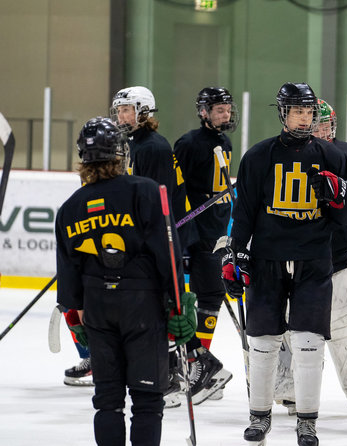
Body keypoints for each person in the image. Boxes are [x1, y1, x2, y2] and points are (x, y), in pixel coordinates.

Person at [222, 82, 347, 446]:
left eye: (310, 112)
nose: (305, 118)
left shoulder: (333, 157)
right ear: (283, 113)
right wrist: (237, 254)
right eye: (298, 111)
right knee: (263, 342)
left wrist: (338, 199)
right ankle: (258, 415)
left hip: (314, 259)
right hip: (268, 258)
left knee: (309, 342)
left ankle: (307, 420)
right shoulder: (258, 156)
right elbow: (245, 210)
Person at [55, 117, 197, 446]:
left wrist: (77, 320)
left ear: (83, 158)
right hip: (143, 308)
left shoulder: (70, 208)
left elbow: (69, 276)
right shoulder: (146, 191)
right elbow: (168, 254)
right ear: (121, 154)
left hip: (98, 308)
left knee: (107, 401)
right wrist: (180, 303)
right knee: (147, 400)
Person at [110, 86, 224, 407]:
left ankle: (184, 369)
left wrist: (144, 241)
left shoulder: (152, 148)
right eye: (118, 110)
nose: (121, 116)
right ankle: (197, 364)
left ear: (144, 111)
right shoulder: (135, 144)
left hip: (160, 239)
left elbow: (156, 202)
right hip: (150, 239)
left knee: (160, 309)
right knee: (152, 309)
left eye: (126, 110)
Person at [273, 99, 347, 416]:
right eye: (313, 122)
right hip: (290, 264)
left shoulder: (346, 158)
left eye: (324, 124)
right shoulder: (280, 157)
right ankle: (290, 393)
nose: (319, 129)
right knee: (289, 332)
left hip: (336, 264)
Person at [172, 87, 239, 404]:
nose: (226, 114)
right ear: (204, 112)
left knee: (211, 296)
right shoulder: (187, 144)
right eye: (220, 109)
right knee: (198, 296)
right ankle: (192, 365)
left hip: (217, 234)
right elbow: (175, 189)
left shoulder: (225, 142)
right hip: (195, 233)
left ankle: (200, 364)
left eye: (228, 109)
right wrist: (186, 236)